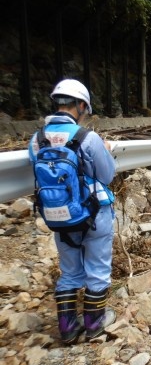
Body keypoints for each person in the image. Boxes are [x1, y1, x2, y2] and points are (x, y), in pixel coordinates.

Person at [28, 79, 117, 344]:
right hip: (92, 215)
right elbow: (107, 175)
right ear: (79, 105)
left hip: (58, 216)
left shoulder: (37, 139)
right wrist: (106, 151)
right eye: (84, 108)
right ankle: (93, 324)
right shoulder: (87, 138)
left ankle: (67, 329)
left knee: (70, 272)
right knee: (98, 269)